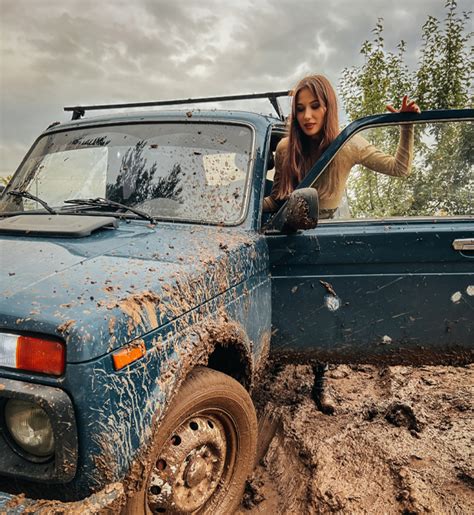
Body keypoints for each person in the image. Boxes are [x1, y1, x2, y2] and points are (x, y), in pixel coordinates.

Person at [263, 74, 421, 218]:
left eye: (315, 106)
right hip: (288, 234)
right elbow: (277, 201)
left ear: (328, 108)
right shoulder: (285, 148)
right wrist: (240, 207)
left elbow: (399, 168)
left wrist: (406, 127)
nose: (307, 116)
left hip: (331, 231)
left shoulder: (348, 144)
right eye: (300, 109)